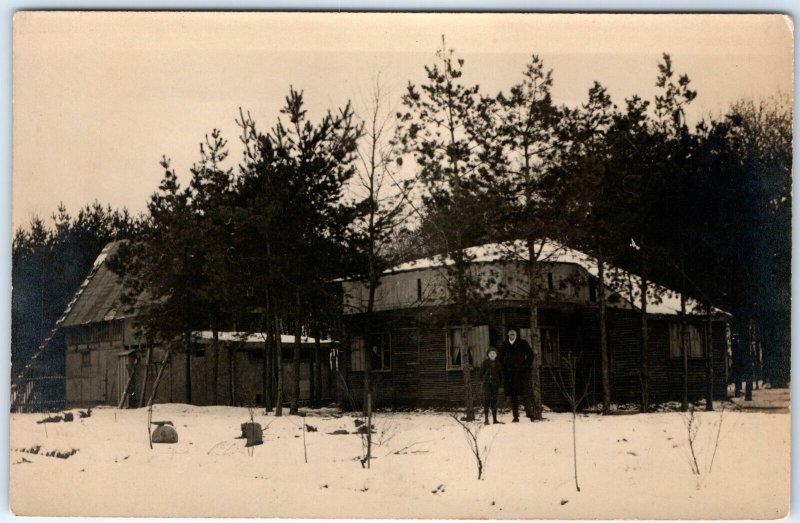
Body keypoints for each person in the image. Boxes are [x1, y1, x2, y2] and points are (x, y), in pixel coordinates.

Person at [499, 326, 534, 422]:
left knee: (525, 393)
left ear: (516, 333)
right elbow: (500, 358)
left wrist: (526, 366)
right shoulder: (504, 344)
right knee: (513, 395)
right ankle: (515, 416)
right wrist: (504, 369)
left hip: (521, 373)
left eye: (513, 331)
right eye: (510, 331)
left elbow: (530, 355)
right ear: (507, 334)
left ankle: (531, 415)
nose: (512, 333)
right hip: (509, 375)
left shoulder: (523, 343)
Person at [478, 347, 503, 425]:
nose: (492, 355)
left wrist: (500, 384)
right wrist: (484, 380)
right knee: (487, 401)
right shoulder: (485, 363)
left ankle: (495, 419)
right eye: (490, 353)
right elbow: (480, 374)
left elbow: (501, 375)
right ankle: (486, 419)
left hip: (495, 385)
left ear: (496, 355)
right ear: (488, 355)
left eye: (493, 353)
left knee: (494, 401)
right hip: (487, 386)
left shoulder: (498, 363)